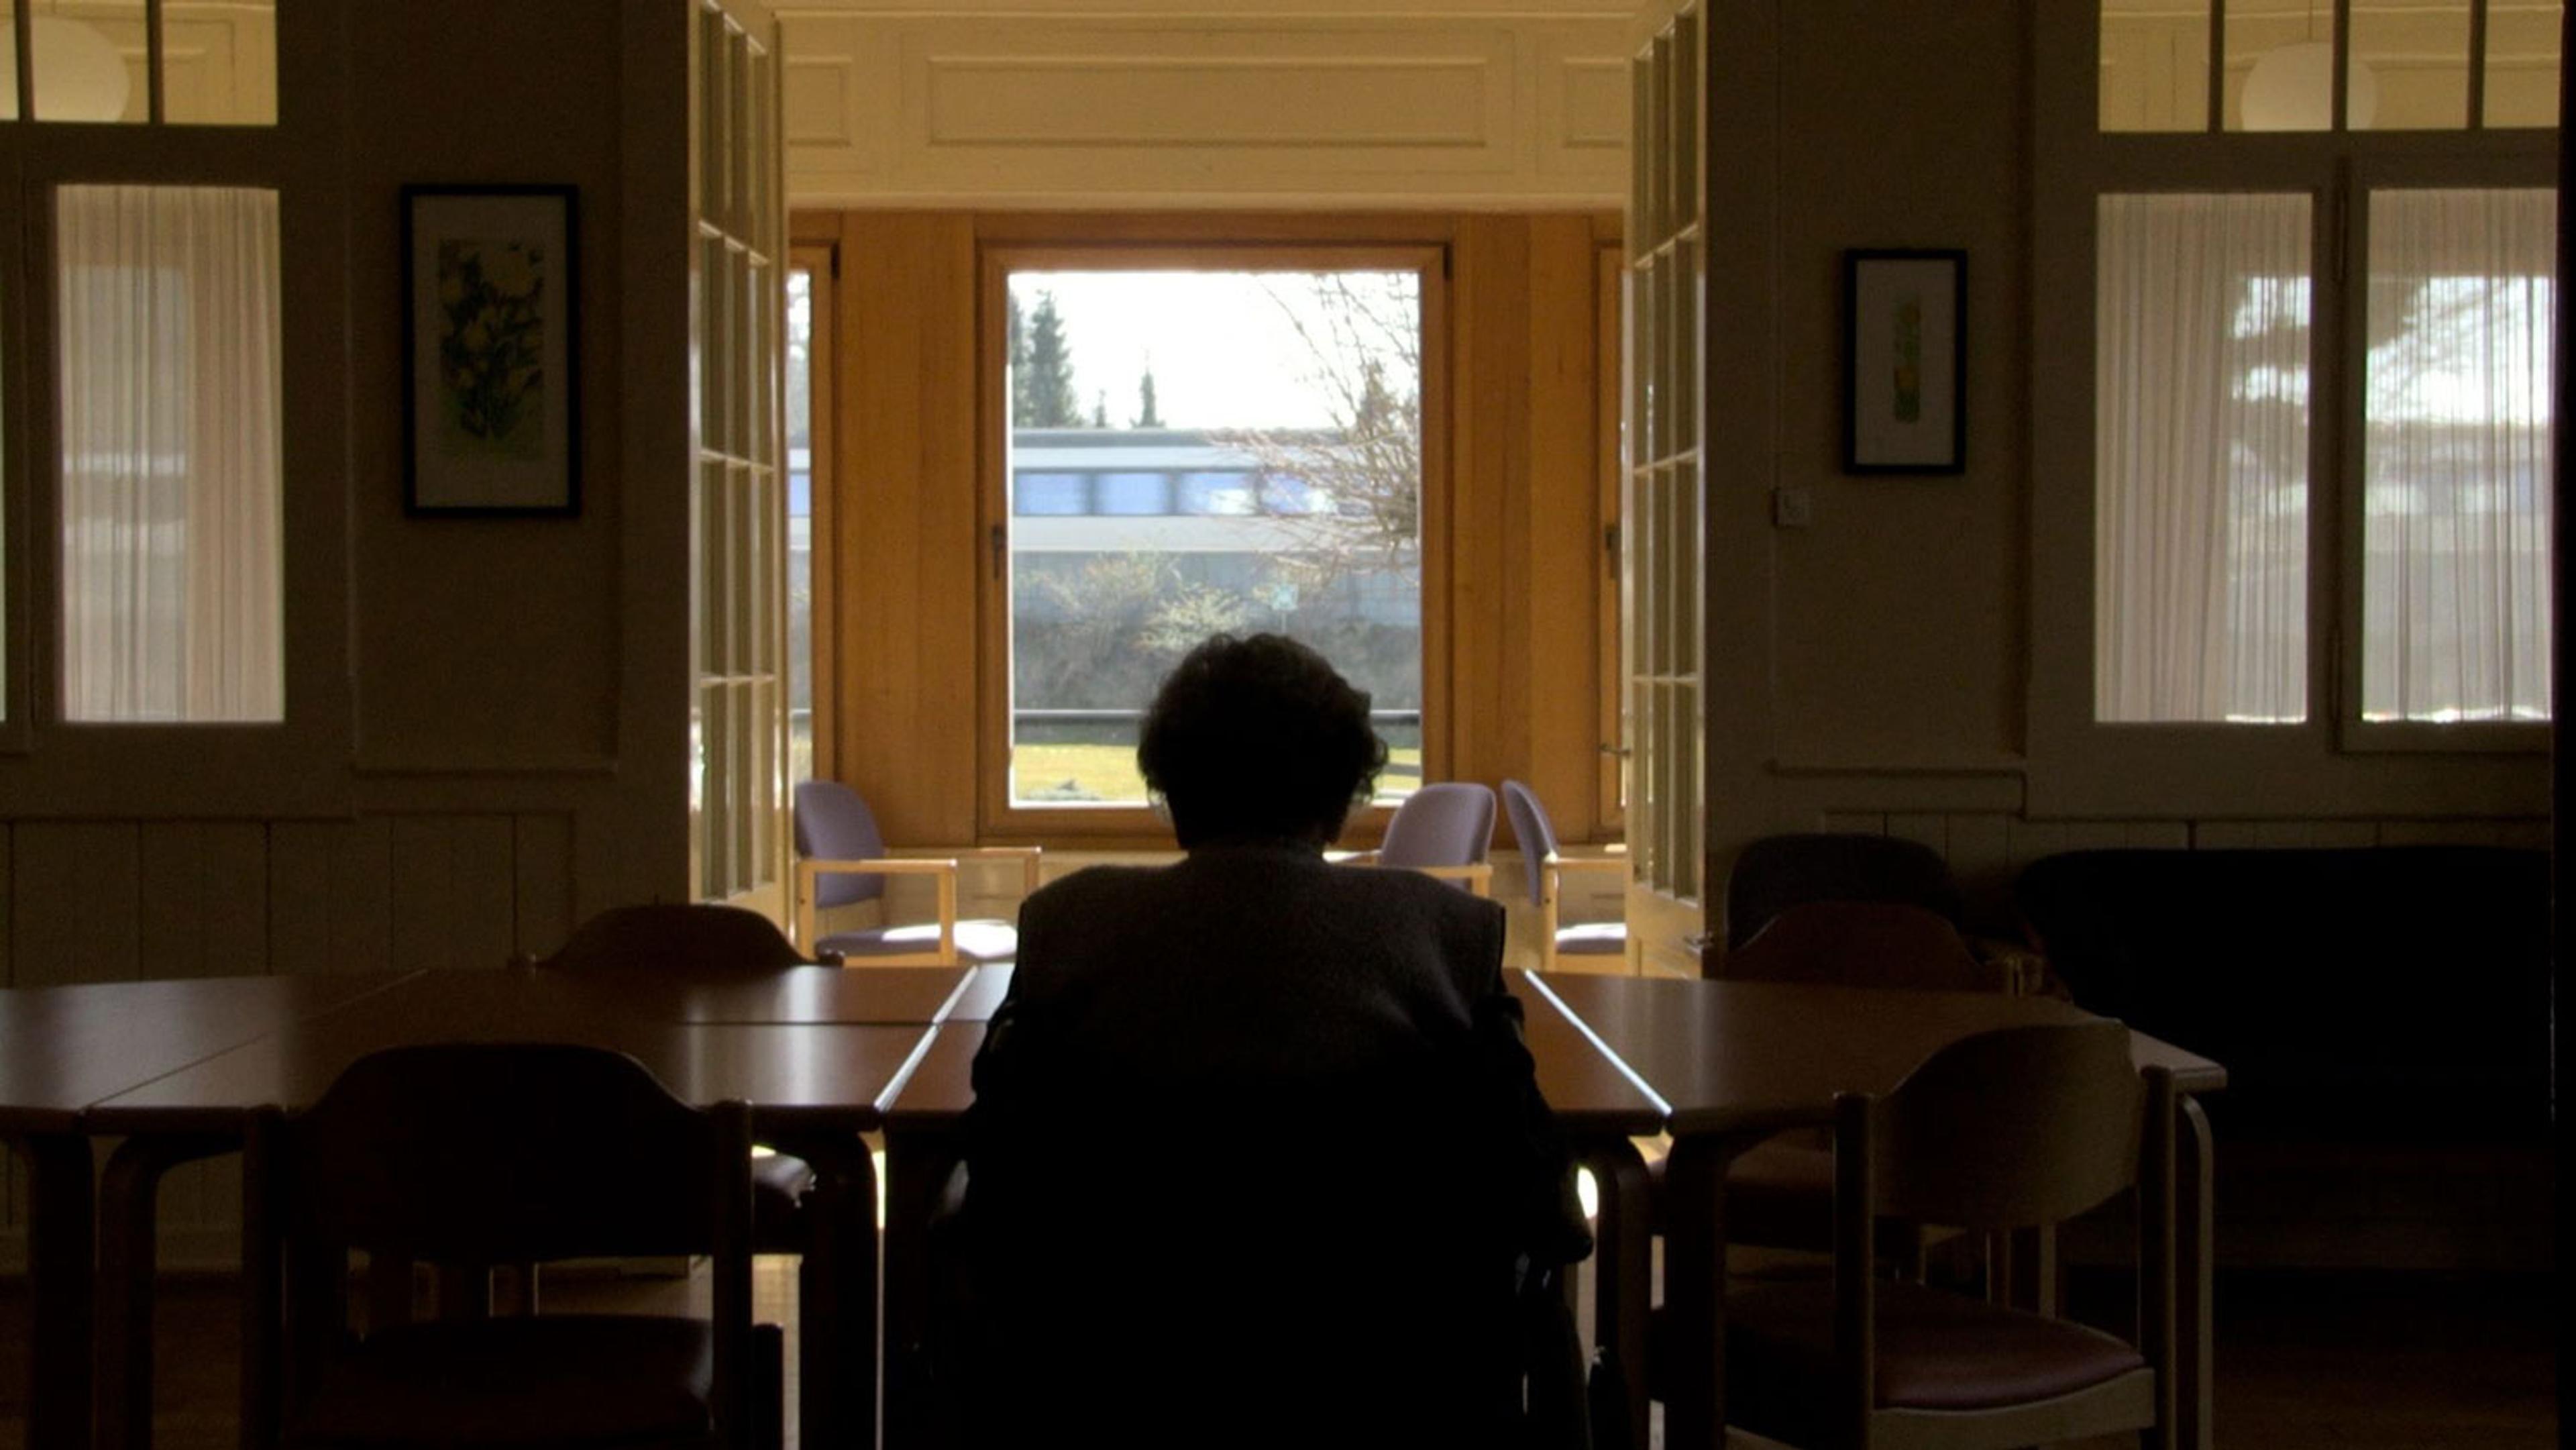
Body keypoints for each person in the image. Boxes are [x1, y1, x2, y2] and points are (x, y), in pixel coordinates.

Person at [954, 632, 1589, 1449]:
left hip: (1114, 1374)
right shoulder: (1443, 935)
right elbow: (1538, 1190)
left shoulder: (1070, 926)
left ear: (1173, 788)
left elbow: (1003, 1170)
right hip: (1397, 1379)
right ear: (1341, 792)